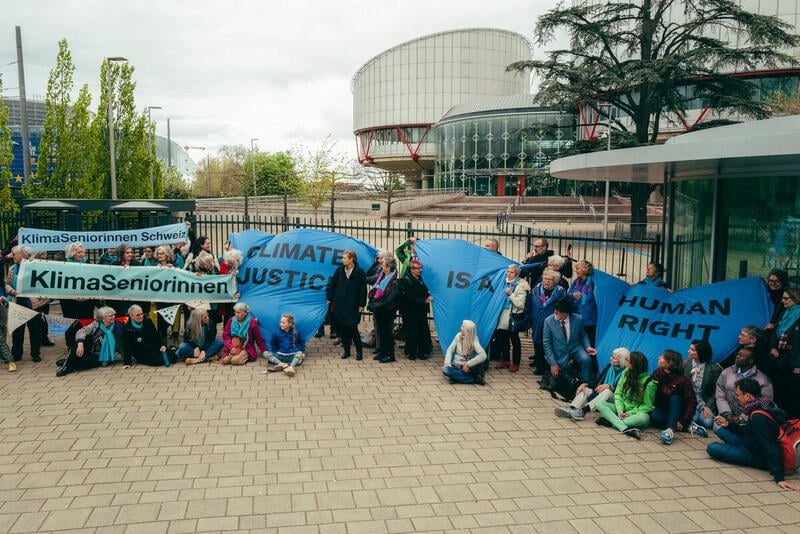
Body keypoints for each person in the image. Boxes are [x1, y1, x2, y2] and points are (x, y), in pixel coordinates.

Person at [707, 377, 800, 492]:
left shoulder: (758, 417)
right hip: (751, 441)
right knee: (718, 427)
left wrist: (779, 478)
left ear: (747, 396)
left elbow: (770, 446)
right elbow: (748, 430)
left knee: (712, 448)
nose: (737, 398)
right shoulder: (765, 403)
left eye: (738, 395)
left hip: (758, 456)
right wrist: (728, 424)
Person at [554, 347, 630, 421]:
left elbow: (623, 392)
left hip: (615, 400)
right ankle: (572, 408)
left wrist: (610, 386)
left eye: (614, 358)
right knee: (585, 389)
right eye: (612, 356)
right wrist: (585, 384)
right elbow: (597, 381)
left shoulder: (628, 373)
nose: (611, 358)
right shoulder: (609, 367)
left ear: (621, 360)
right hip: (600, 395)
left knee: (607, 391)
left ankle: (582, 411)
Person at [595, 351, 657, 440]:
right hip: (622, 410)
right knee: (600, 404)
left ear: (634, 364)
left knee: (644, 418)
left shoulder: (649, 383)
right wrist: (620, 410)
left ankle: (611, 422)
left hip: (636, 413)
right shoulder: (626, 372)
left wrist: (630, 413)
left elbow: (647, 406)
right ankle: (625, 428)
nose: (625, 362)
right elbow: (618, 393)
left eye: (627, 360)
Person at [5, 245, 47, 364]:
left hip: (33, 304)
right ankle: (17, 354)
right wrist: (10, 290)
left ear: (22, 255)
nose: (13, 256)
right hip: (17, 303)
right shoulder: (13, 268)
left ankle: (35, 353)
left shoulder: (34, 266)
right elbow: (7, 283)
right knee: (17, 330)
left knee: (35, 330)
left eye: (15, 254)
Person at [715, 346, 774, 429]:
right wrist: (727, 414)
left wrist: (742, 418)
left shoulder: (763, 380)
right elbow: (720, 394)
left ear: (751, 361)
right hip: (728, 416)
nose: (737, 356)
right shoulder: (727, 372)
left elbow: (765, 402)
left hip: (750, 420)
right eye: (737, 354)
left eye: (741, 355)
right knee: (717, 426)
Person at [542, 297, 597, 383]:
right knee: (561, 375)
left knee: (587, 360)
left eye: (558, 311)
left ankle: (586, 383)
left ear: (566, 313)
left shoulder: (578, 319)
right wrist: (553, 363)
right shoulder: (548, 321)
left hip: (575, 347)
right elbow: (546, 344)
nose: (555, 312)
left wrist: (588, 347)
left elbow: (583, 335)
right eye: (555, 309)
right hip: (558, 350)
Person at [56, 307, 122, 377]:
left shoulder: (118, 327)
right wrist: (80, 344)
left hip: (102, 356)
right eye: (110, 316)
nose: (113, 317)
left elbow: (123, 343)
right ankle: (67, 367)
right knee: (80, 342)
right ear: (103, 318)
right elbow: (81, 331)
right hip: (91, 350)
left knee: (83, 364)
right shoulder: (96, 324)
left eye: (114, 315)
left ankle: (70, 361)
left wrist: (127, 360)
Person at [651, 349, 699, 445]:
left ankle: (670, 431)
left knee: (674, 397)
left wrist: (683, 420)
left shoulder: (683, 381)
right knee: (654, 415)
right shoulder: (657, 373)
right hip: (665, 410)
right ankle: (687, 426)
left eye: (662, 357)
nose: (659, 358)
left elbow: (692, 402)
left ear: (670, 363)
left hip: (679, 410)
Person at [326, 250, 367, 360]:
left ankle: (359, 352)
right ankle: (347, 351)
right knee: (342, 329)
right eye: (343, 258)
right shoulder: (340, 270)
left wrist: (361, 304)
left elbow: (363, 289)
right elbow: (332, 284)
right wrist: (329, 298)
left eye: (344, 258)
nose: (342, 260)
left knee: (353, 329)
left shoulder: (360, 272)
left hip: (353, 304)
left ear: (351, 259)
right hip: (340, 304)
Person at [767, 286, 800, 417]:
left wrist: (798, 364)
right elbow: (776, 331)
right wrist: (773, 347)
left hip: (792, 362)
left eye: (786, 298)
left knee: (791, 393)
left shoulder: (797, 316)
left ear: (795, 299)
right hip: (779, 359)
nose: (782, 301)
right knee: (779, 391)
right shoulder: (784, 313)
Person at [491, 264, 530, 373]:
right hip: (502, 314)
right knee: (503, 338)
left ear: (517, 274)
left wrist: (511, 294)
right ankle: (505, 360)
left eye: (511, 272)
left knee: (515, 340)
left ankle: (516, 363)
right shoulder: (503, 282)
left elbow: (520, 304)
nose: (509, 273)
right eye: (508, 271)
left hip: (513, 316)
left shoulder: (520, 285)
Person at [529, 270, 567, 374]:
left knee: (549, 343)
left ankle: (549, 365)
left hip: (552, 322)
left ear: (555, 281)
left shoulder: (560, 291)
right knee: (537, 342)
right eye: (545, 279)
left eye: (550, 280)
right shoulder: (536, 289)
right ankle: (539, 366)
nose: (547, 281)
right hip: (537, 320)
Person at [398, 259, 433, 361]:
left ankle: (422, 352)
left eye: (420, 268)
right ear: (412, 269)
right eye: (418, 268)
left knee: (422, 332)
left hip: (421, 311)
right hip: (410, 312)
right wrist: (424, 300)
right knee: (411, 332)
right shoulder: (406, 281)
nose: (420, 270)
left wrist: (428, 294)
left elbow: (424, 292)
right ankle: (411, 352)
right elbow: (409, 298)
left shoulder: (422, 279)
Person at [683, 339, 721, 429]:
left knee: (708, 423)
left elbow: (716, 391)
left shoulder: (714, 369)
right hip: (689, 400)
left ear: (701, 352)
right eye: (690, 348)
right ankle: (692, 423)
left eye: (692, 349)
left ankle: (692, 422)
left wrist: (708, 406)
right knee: (693, 417)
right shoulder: (684, 363)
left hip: (704, 401)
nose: (689, 351)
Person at [368, 256, 400, 363]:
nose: (382, 267)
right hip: (379, 309)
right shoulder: (381, 277)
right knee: (380, 332)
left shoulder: (393, 282)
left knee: (387, 333)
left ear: (389, 267)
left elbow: (389, 299)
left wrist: (376, 305)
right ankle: (382, 351)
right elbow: (376, 291)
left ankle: (390, 355)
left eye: (383, 265)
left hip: (387, 310)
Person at [442, 320, 487, 385]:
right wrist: (447, 363)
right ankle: (473, 379)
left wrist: (468, 364)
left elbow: (483, 355)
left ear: (467, 330)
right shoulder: (458, 336)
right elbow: (450, 350)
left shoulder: (474, 340)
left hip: (467, 368)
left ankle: (455, 377)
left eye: (462, 327)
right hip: (456, 366)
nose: (460, 327)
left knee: (476, 360)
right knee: (445, 370)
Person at [61, 242, 95, 319]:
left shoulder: (88, 264)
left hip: (86, 302)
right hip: (70, 303)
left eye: (82, 252)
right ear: (72, 253)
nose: (82, 254)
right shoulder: (64, 265)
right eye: (79, 252)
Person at [568, 260, 597, 345]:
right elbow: (568, 294)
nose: (575, 271)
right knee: (577, 339)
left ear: (585, 270)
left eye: (578, 269)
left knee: (590, 340)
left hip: (589, 318)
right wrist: (572, 295)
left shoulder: (593, 283)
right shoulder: (576, 281)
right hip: (576, 315)